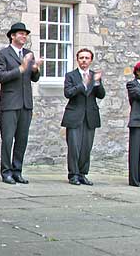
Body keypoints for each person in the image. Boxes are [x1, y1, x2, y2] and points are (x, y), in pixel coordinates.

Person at [0, 22, 42, 185]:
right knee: (8, 139)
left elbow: (34, 79)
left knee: (22, 140)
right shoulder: (3, 54)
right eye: (21, 33)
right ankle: (6, 172)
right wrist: (21, 68)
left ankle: (17, 171)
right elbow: (1, 77)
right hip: (9, 103)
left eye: (25, 34)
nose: (24, 36)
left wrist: (35, 69)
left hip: (26, 103)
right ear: (12, 36)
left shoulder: (29, 53)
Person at [61, 48, 105, 186]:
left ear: (90, 60)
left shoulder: (94, 75)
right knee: (74, 147)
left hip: (90, 116)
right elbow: (68, 93)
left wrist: (96, 82)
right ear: (77, 60)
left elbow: (101, 95)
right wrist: (83, 84)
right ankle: (73, 174)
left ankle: (82, 174)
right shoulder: (71, 75)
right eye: (81, 58)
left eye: (87, 58)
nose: (84, 60)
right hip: (74, 115)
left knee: (86, 147)